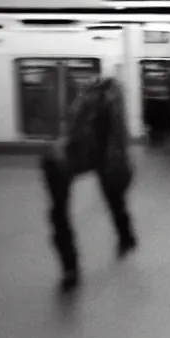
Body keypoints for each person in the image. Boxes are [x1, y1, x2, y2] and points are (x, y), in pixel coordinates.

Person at [40, 77, 138, 294]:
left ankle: (70, 269)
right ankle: (125, 236)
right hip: (95, 159)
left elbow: (72, 131)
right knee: (113, 198)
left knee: (59, 215)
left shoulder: (87, 100)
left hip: (65, 159)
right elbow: (118, 141)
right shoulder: (112, 103)